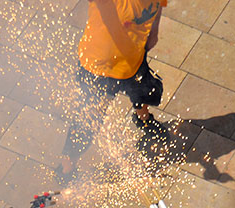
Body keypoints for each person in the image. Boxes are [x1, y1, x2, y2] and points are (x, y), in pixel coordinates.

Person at [60, 0, 168, 176]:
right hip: (100, 68)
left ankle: (144, 119)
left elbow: (158, 5)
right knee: (90, 118)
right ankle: (68, 163)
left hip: (133, 60)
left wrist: (154, 30)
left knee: (145, 92)